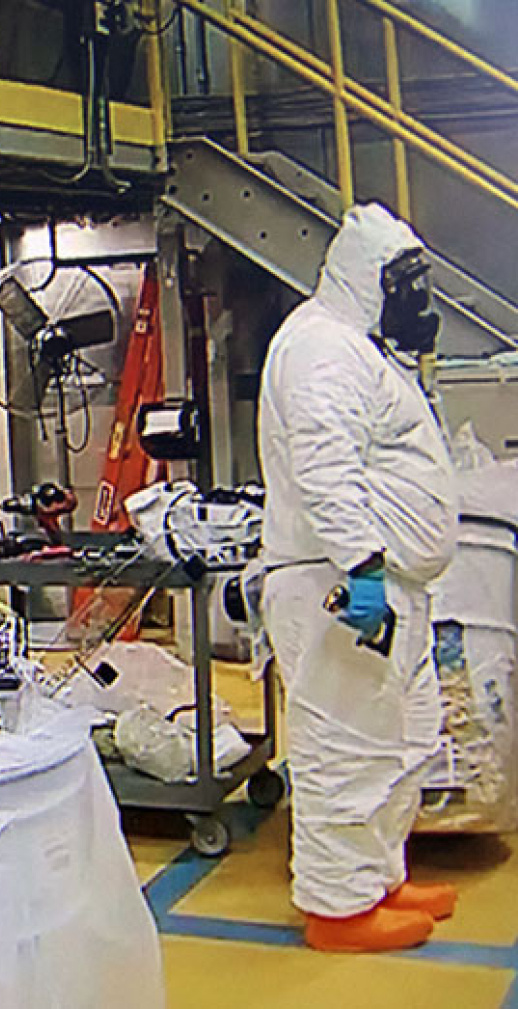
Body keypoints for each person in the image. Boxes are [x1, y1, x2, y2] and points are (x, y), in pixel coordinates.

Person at [259, 203, 459, 953]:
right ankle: (339, 909)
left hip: (388, 583)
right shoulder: (322, 348)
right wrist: (364, 570)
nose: (417, 299)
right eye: (404, 283)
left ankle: (377, 879)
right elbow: (326, 468)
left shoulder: (361, 349)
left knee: (398, 741)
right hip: (338, 587)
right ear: (366, 279)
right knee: (343, 746)